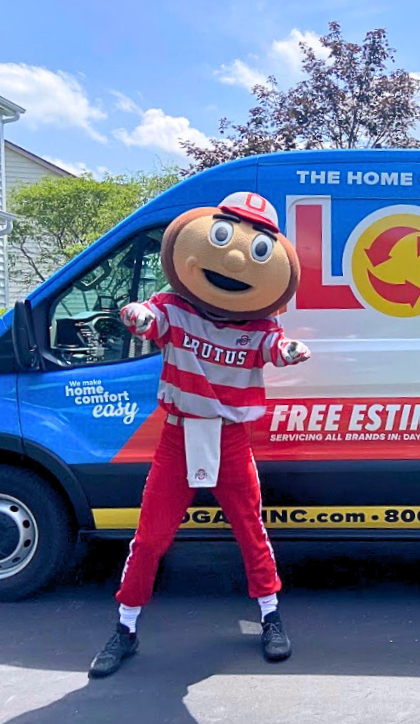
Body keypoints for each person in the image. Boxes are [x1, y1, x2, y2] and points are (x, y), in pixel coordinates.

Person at [89, 192, 310, 678]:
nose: (232, 263)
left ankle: (271, 617)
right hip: (178, 436)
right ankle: (125, 628)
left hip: (231, 439)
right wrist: (138, 317)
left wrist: (291, 350)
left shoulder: (260, 325)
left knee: (251, 530)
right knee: (149, 538)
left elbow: (276, 347)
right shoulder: (174, 307)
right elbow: (150, 319)